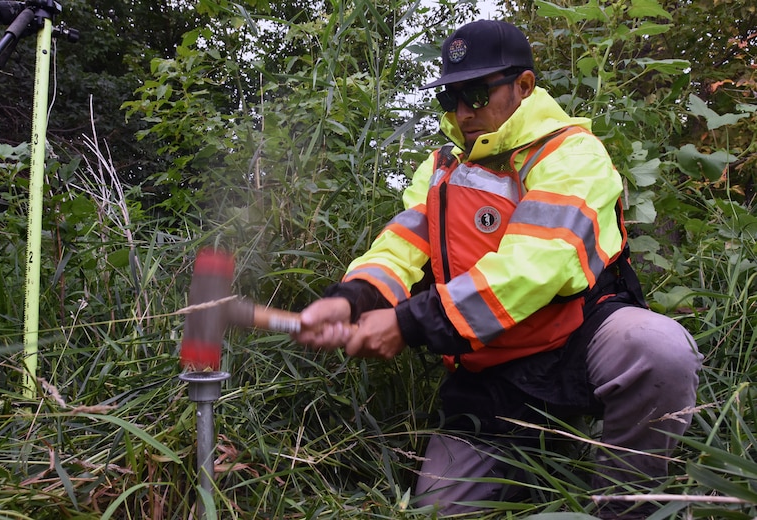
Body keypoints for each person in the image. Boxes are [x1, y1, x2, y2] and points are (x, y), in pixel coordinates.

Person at [293, 19, 701, 519]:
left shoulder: (572, 153)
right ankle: (531, 454)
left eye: (477, 94)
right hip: (489, 372)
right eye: (451, 99)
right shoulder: (442, 166)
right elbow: (401, 245)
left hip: (574, 340)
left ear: (524, 86)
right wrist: (354, 298)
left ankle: (624, 505)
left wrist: (406, 323)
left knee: (659, 351)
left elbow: (536, 265)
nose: (463, 113)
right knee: (437, 511)